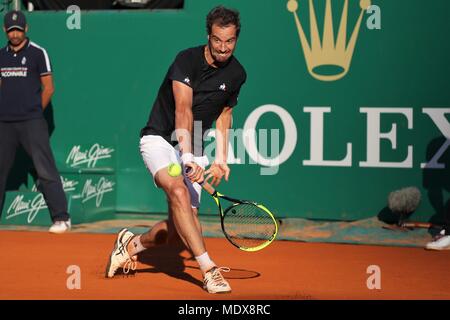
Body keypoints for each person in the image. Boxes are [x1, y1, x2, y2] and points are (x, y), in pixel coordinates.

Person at [105, 5, 246, 293]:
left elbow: (224, 115)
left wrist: (221, 159)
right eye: (217, 40)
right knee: (179, 192)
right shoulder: (186, 60)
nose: (223, 47)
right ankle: (209, 270)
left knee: (177, 232)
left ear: (236, 39)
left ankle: (130, 245)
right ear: (208, 35)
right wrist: (188, 157)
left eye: (229, 41)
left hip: (192, 145)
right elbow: (183, 109)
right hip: (158, 139)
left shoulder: (237, 74)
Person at [0, 10, 71, 233]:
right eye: (11, 30)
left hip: (32, 122)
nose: (15, 34)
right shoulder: (1, 55)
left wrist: (33, 111)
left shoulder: (38, 53)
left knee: (45, 169)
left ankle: (61, 218)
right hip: (4, 123)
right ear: (5, 31)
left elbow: (49, 88)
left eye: (18, 30)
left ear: (26, 29)